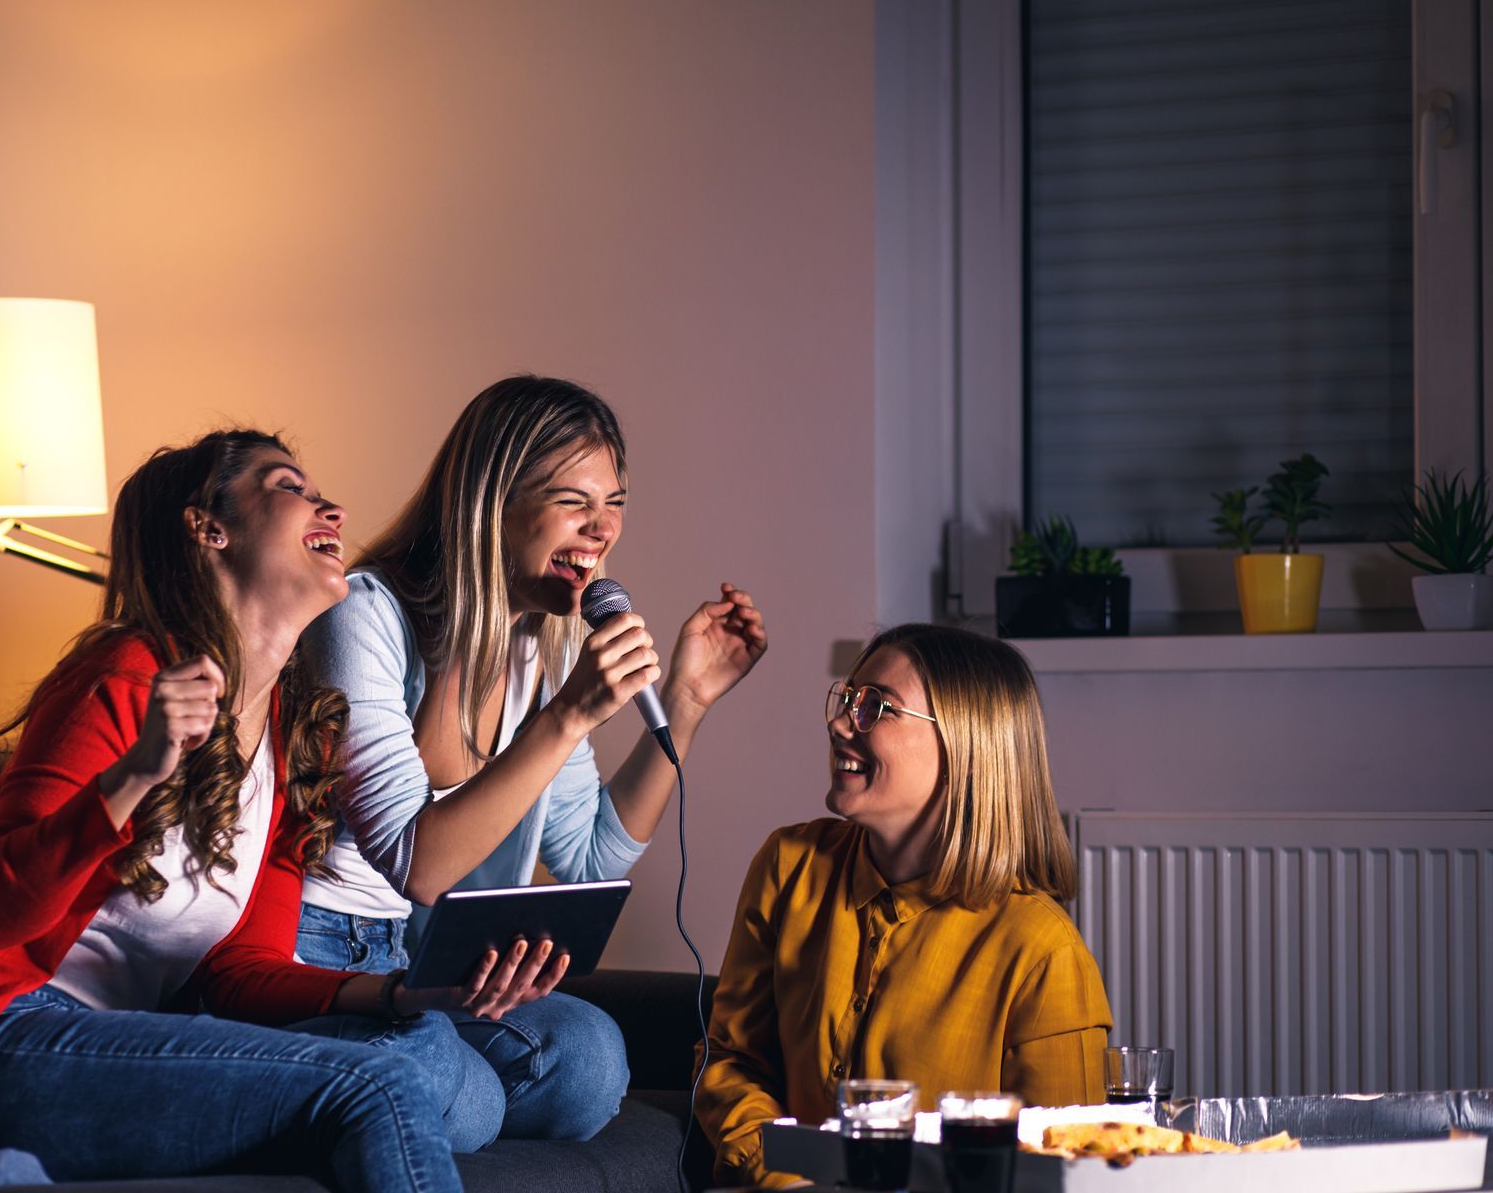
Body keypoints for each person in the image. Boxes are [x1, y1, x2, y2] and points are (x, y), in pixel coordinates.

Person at [0, 430, 563, 1190]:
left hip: (111, 1049)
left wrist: (400, 995)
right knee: (377, 1087)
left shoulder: (291, 729)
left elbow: (241, 971)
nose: (329, 505)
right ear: (210, 528)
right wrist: (136, 775)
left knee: (408, 1053)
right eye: (289, 487)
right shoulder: (126, 676)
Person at [297, 375, 768, 1142]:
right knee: (469, 1096)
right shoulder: (363, 615)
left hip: (418, 960)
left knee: (588, 1059)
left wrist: (684, 703)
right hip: (318, 950)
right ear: (491, 501)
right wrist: (568, 715)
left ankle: (408, 1099)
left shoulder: (533, 647)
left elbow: (589, 858)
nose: (602, 529)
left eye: (614, 503)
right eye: (574, 502)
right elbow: (418, 866)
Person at [695, 624, 1111, 1188]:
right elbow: (731, 1062)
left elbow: (1066, 1170)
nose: (840, 722)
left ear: (967, 744)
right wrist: (785, 1180)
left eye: (877, 707)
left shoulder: (1043, 951)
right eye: (847, 700)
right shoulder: (788, 864)